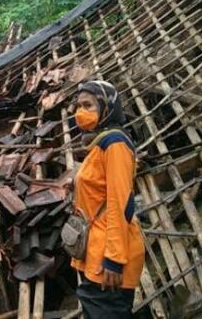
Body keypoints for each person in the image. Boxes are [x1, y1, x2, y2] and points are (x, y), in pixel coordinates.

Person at [70, 80, 144, 319]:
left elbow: (120, 202)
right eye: (78, 106)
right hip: (97, 250)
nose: (80, 112)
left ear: (107, 107)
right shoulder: (100, 143)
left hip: (109, 255)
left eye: (88, 105)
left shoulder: (115, 144)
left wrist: (114, 258)